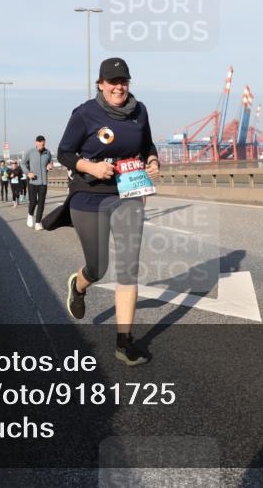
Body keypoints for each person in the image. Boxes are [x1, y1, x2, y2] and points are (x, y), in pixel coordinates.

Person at [51, 57, 159, 366]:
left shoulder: (140, 111)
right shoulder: (85, 113)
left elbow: (147, 146)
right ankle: (79, 284)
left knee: (128, 268)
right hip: (89, 197)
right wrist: (92, 167)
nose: (118, 87)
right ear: (101, 84)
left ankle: (124, 343)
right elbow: (65, 153)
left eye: (123, 81)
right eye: (112, 82)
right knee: (98, 267)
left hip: (129, 195)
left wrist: (152, 162)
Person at [22, 135, 53, 231]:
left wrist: (50, 165)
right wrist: (28, 173)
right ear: (36, 143)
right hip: (33, 181)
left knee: (41, 203)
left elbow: (50, 161)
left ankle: (38, 222)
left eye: (43, 144)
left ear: (45, 143)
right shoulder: (30, 152)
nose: (41, 146)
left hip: (43, 182)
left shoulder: (47, 152)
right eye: (39, 144)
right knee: (33, 202)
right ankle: (30, 215)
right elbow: (22, 163)